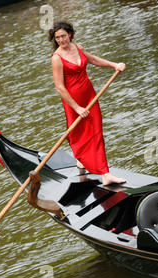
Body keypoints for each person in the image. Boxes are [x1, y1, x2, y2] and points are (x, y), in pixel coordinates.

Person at [48, 20, 126, 185]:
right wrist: (76, 108)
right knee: (78, 133)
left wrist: (114, 65)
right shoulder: (56, 58)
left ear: (70, 34)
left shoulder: (79, 48)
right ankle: (84, 159)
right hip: (73, 102)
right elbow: (60, 88)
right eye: (57, 38)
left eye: (63, 36)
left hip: (90, 96)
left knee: (96, 131)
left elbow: (93, 60)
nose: (61, 40)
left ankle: (105, 174)